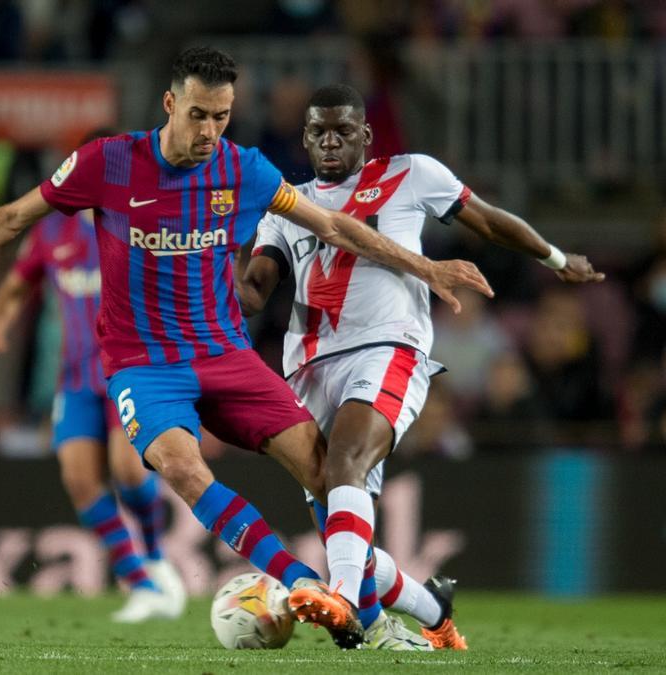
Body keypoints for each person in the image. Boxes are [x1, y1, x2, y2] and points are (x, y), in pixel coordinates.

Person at [0, 47, 491, 649]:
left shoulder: (245, 170)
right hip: (144, 367)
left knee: (331, 479)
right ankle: (302, 581)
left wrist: (423, 266)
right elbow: (15, 217)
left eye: (222, 116)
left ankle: (424, 613)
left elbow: (332, 224)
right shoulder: (107, 163)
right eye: (198, 115)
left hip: (226, 356)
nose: (210, 130)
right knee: (183, 468)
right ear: (168, 105)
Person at [241, 83, 604, 650]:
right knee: (341, 524)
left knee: (345, 462)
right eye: (318, 132)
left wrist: (556, 259)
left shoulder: (412, 174)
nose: (330, 142)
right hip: (306, 368)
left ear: (365, 134)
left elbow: (486, 219)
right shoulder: (288, 205)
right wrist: (210, 276)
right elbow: (257, 287)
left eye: (342, 131)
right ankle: (431, 609)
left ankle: (340, 602)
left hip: (389, 348)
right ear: (305, 139)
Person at [0, 176, 185, 622]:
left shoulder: (142, 227)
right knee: (80, 481)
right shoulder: (51, 233)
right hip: (76, 378)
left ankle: (157, 557)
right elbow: (15, 284)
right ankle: (142, 585)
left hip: (131, 372)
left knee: (128, 469)